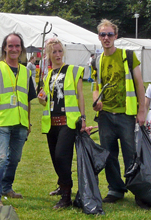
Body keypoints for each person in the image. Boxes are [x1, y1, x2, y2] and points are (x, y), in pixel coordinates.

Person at [92, 19, 145, 203]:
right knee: (108, 155)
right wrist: (96, 100)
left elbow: (139, 84)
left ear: (116, 36)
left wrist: (142, 111)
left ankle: (137, 188)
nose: (106, 38)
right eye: (103, 35)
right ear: (99, 37)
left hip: (126, 115)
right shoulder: (96, 60)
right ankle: (115, 189)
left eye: (110, 34)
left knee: (131, 154)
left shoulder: (128, 56)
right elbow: (96, 87)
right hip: (105, 115)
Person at [0, 32, 37, 209]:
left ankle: (7, 187)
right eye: (10, 46)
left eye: (17, 46)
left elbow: (28, 99)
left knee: (14, 158)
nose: (14, 49)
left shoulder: (25, 71)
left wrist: (28, 122)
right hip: (3, 120)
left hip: (21, 122)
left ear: (21, 48)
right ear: (5, 48)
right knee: (1, 157)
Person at [38, 37, 86, 209]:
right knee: (55, 158)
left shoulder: (73, 70)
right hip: (51, 122)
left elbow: (80, 95)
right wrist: (41, 98)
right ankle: (62, 184)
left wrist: (84, 118)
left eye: (59, 51)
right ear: (48, 55)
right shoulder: (48, 75)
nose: (57, 55)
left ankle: (66, 195)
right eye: (54, 52)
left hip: (69, 122)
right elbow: (46, 100)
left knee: (61, 156)